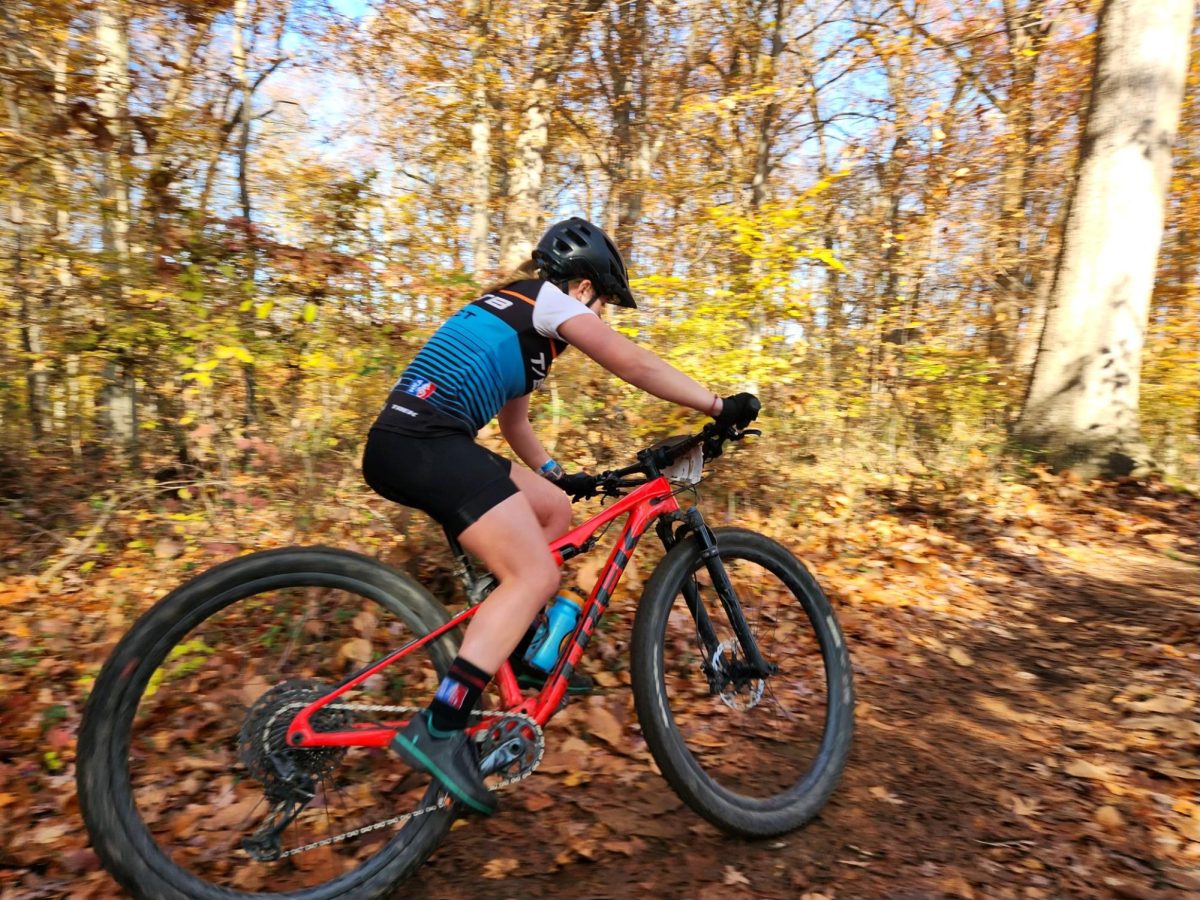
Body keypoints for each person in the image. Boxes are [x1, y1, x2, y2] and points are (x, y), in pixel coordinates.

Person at [361, 216, 759, 815]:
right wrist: (718, 404)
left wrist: (556, 477)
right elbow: (633, 364)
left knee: (551, 510)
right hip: (425, 443)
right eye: (600, 303)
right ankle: (441, 727)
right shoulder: (549, 301)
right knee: (535, 576)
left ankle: (518, 654)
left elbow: (514, 424)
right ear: (582, 287)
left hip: (421, 440)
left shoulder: (517, 316)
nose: (598, 316)